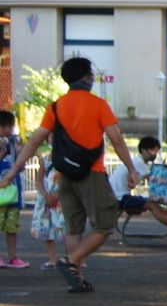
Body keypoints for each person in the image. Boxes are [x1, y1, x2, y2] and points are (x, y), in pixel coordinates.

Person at [0, 57, 138, 292]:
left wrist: (13, 172)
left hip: (65, 174)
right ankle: (71, 262)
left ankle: (78, 279)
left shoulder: (56, 106)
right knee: (105, 225)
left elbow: (34, 140)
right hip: (91, 173)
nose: (92, 78)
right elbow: (115, 138)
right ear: (86, 77)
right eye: (90, 74)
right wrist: (131, 168)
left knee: (73, 228)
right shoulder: (98, 104)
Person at [109, 136, 167, 230]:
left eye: (156, 151)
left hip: (118, 196)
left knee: (153, 203)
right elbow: (155, 182)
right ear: (143, 150)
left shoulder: (136, 161)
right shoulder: (140, 164)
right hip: (120, 198)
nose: (154, 154)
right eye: (152, 150)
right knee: (152, 205)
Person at [0, 110, 29, 268]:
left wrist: (20, 153)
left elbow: (21, 167)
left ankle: (13, 257)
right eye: (5, 126)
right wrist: (2, 152)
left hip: (13, 193)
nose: (8, 130)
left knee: (12, 227)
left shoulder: (13, 143)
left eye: (10, 126)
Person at [30, 149, 66, 269]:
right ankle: (52, 259)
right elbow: (39, 180)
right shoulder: (44, 160)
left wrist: (57, 194)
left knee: (68, 228)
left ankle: (74, 258)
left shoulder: (68, 158)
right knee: (47, 227)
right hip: (46, 198)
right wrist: (46, 195)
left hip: (63, 197)